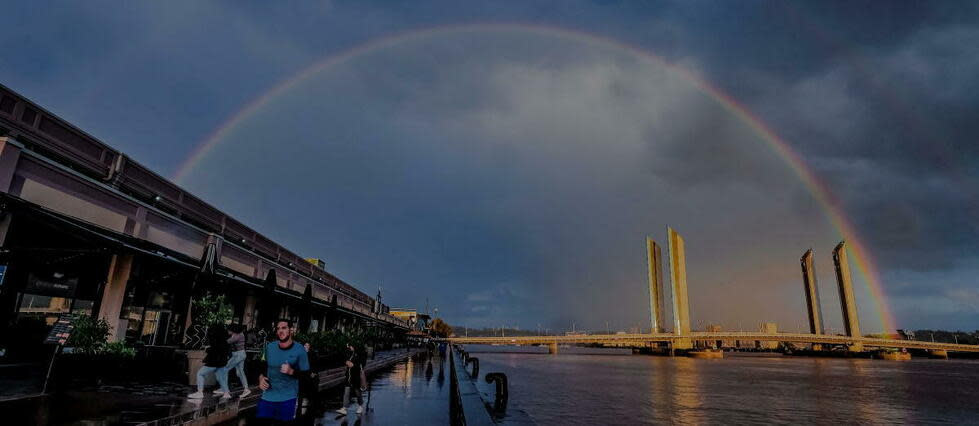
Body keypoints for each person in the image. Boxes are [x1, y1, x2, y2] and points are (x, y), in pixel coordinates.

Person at [257, 319, 310, 423]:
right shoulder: (270, 347)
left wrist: (291, 372)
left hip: (288, 399)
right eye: (278, 328)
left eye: (284, 328)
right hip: (267, 397)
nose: (280, 331)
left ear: (291, 330)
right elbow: (261, 366)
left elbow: (306, 376)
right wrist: (260, 378)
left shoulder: (300, 350)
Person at [187, 325, 231, 399]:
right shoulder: (225, 341)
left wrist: (208, 349)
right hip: (222, 362)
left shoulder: (215, 339)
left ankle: (200, 392)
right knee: (221, 377)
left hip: (213, 361)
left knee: (200, 374)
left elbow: (214, 350)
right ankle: (226, 393)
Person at [217, 323, 250, 398]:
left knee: (225, 369)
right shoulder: (239, 334)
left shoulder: (237, 336)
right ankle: (246, 389)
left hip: (238, 355)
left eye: (229, 330)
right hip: (240, 354)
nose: (228, 331)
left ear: (233, 330)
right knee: (240, 372)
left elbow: (227, 342)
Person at [335, 344, 367, 416]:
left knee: (357, 391)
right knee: (346, 391)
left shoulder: (361, 353)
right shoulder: (349, 352)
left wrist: (354, 365)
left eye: (351, 346)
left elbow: (363, 364)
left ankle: (361, 405)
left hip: (356, 375)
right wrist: (346, 362)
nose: (350, 347)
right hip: (348, 375)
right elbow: (345, 359)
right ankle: (344, 408)